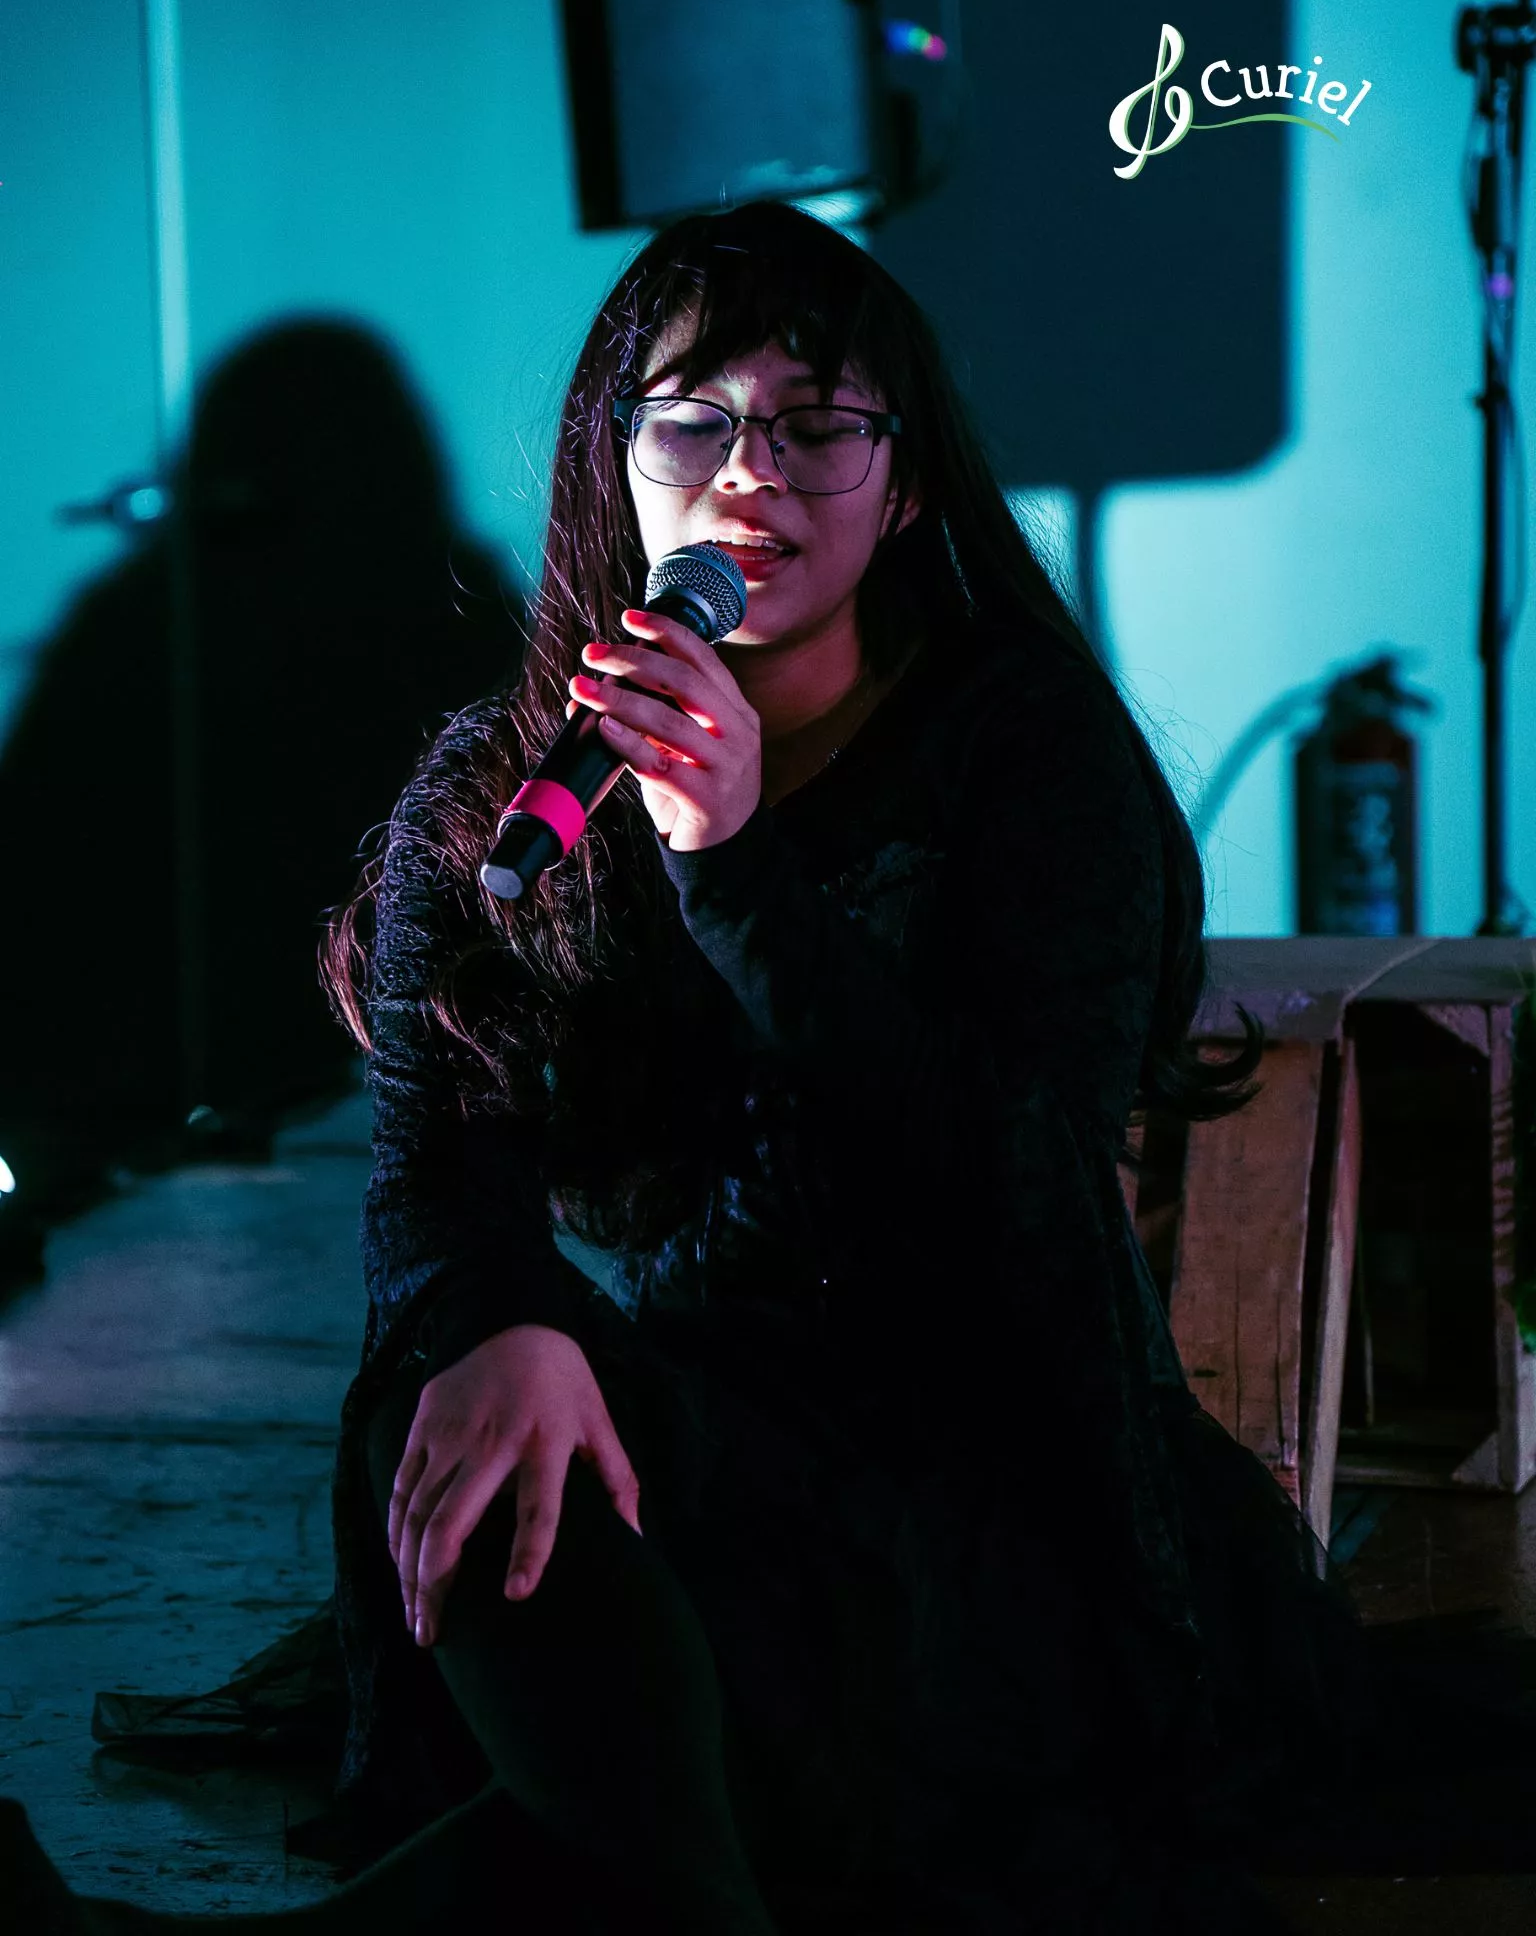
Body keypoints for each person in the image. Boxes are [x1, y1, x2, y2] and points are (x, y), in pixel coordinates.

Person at [12, 200, 1536, 1936]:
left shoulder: (1032, 764)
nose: (753, 475)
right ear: (619, 466)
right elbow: (435, 1165)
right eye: (695, 422)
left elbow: (1017, 1184)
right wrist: (502, 1323)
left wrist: (735, 869)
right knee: (477, 1417)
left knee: (705, 1729)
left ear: (905, 483)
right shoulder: (511, 779)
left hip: (990, 1454)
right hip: (705, 1414)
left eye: (817, 427)